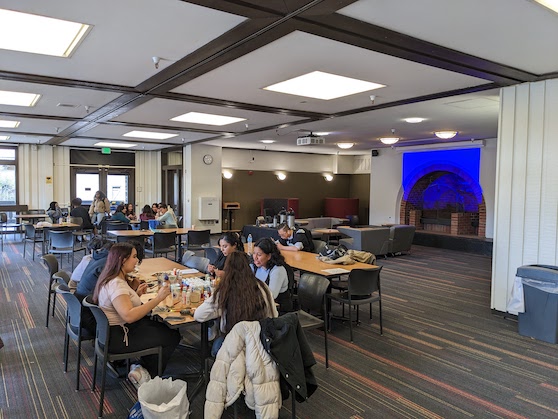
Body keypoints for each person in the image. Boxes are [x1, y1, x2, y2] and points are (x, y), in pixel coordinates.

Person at [93, 243, 180, 386]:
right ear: (123, 260)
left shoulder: (110, 278)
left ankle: (140, 366)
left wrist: (136, 294)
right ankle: (147, 375)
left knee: (159, 327)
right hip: (120, 337)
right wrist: (158, 298)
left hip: (111, 333)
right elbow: (129, 316)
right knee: (172, 335)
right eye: (134, 257)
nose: (137, 260)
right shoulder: (117, 285)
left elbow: (121, 305)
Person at [194, 251, 278, 356]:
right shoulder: (262, 287)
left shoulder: (225, 291)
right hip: (262, 340)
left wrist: (220, 310)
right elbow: (274, 316)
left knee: (216, 347)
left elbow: (199, 316)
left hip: (236, 342)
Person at [251, 237, 292, 313]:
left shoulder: (278, 270)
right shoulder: (255, 266)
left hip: (278, 310)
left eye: (259, 255)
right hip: (261, 306)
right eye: (254, 253)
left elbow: (271, 295)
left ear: (269, 256)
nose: (255, 258)